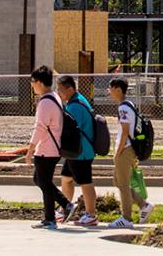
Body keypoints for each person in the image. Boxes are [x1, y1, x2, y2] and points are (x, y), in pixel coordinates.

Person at [26, 66, 74, 230]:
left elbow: (40, 127)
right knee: (41, 180)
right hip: (53, 148)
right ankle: (55, 213)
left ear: (39, 82)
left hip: (46, 149)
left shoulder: (46, 102)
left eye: (32, 82)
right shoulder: (54, 97)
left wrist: (30, 149)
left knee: (44, 182)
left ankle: (60, 209)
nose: (32, 85)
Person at [107, 77, 154, 229]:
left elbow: (125, 132)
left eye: (111, 88)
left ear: (118, 89)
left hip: (125, 149)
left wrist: (118, 151)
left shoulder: (123, 108)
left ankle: (126, 218)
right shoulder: (129, 105)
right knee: (118, 182)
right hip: (128, 149)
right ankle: (143, 205)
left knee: (123, 184)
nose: (109, 92)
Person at [55, 75, 98, 226]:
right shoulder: (78, 100)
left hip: (81, 152)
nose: (59, 93)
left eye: (61, 90)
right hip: (76, 152)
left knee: (85, 182)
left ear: (70, 89)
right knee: (66, 178)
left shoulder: (74, 106)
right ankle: (63, 210)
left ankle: (91, 215)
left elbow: (68, 129)